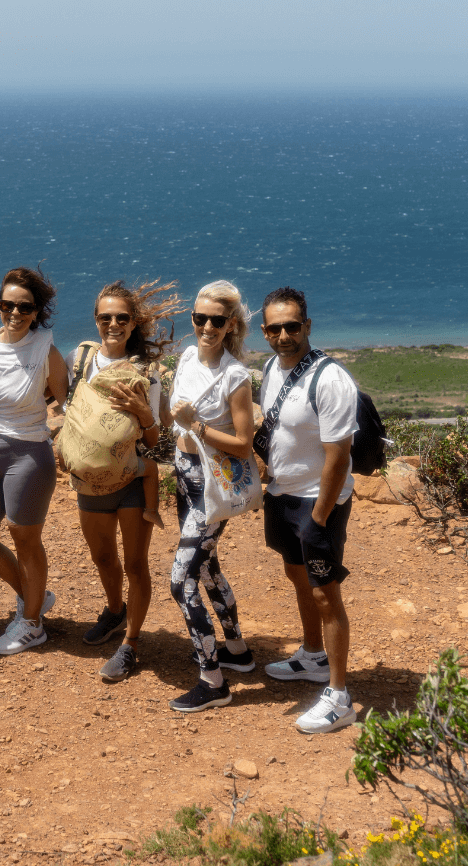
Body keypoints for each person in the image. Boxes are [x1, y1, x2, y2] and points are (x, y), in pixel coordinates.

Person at [61, 280, 177, 683]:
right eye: (105, 317)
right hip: (89, 482)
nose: (113, 324)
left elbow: (156, 442)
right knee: (102, 557)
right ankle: (115, 611)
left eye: (122, 318)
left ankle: (130, 643)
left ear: (133, 323)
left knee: (135, 564)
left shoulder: (147, 372)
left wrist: (144, 415)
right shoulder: (79, 359)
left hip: (131, 480)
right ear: (96, 320)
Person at [258, 286, 358, 733]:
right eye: (275, 328)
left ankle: (338, 697)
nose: (284, 335)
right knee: (297, 576)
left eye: (292, 326)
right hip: (283, 496)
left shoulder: (330, 379)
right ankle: (313, 655)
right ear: (265, 332)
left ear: (307, 326)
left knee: (324, 592)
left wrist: (319, 517)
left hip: (319, 501)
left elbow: (338, 456)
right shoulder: (270, 369)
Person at [0, 266, 69, 655]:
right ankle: (34, 596)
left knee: (25, 540)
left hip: (28, 454)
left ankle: (33, 624)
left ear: (37, 311)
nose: (15, 313)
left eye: (25, 307)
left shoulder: (45, 350)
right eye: (8, 305)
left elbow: (67, 402)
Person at [165, 281, 258, 712]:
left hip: (210, 486)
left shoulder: (235, 376)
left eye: (217, 320)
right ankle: (237, 650)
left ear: (231, 324)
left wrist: (197, 425)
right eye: (199, 318)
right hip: (184, 475)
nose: (207, 326)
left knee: (181, 580)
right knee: (206, 567)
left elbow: (242, 444)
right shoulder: (187, 357)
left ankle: (213, 680)